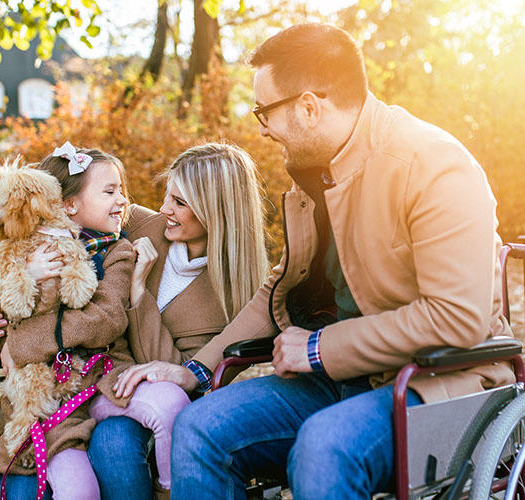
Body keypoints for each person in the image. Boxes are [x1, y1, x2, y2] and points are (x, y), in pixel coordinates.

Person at [168, 24, 516, 500]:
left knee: (325, 446)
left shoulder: (433, 165)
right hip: (340, 379)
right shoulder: (316, 175)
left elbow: (457, 318)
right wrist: (198, 370)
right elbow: (278, 291)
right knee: (198, 427)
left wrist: (319, 348)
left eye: (262, 112)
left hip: (437, 384)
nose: (262, 128)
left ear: (309, 107)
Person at [0, 142, 270, 500]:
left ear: (216, 211)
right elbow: (52, 193)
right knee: (30, 477)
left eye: (179, 203)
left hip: (124, 394)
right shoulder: (141, 223)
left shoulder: (234, 300)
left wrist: (138, 295)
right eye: (167, 196)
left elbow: (177, 373)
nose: (163, 208)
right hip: (59, 392)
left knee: (116, 446)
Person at [0, 143, 136, 500]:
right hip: (33, 399)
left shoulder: (115, 249)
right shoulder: (28, 245)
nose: (122, 200)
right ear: (67, 204)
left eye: (122, 190)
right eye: (110, 191)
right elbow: (2, 302)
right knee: (21, 475)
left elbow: (104, 319)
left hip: (84, 392)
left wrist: (21, 343)